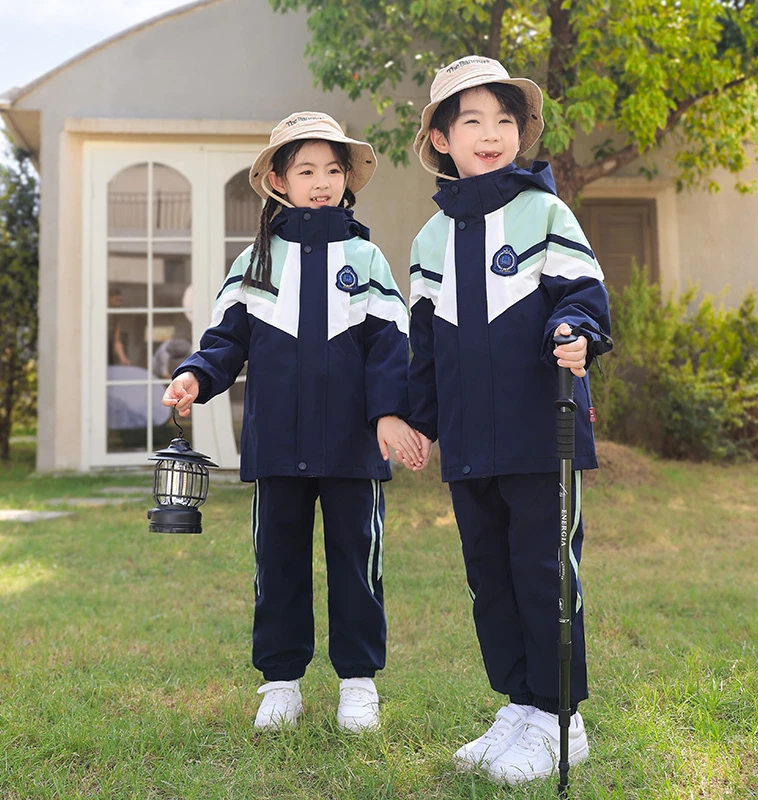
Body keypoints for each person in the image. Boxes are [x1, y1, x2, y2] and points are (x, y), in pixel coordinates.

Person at [162, 112, 423, 733]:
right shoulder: (254, 261)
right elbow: (226, 340)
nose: (322, 182)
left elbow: (391, 345)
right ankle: (281, 682)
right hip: (277, 445)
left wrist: (388, 414)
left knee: (357, 562)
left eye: (333, 170)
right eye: (306, 169)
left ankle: (358, 682)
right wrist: (197, 375)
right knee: (277, 563)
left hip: (352, 448)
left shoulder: (366, 258)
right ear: (277, 179)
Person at [406, 56, 613, 784]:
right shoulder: (428, 241)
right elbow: (423, 348)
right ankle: (521, 709)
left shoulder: (545, 212)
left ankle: (563, 720)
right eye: (471, 122)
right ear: (440, 138)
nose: (491, 134)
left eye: (504, 120)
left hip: (540, 431)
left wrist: (575, 329)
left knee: (544, 572)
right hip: (469, 442)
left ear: (520, 132)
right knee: (490, 578)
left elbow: (583, 293)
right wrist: (417, 422)